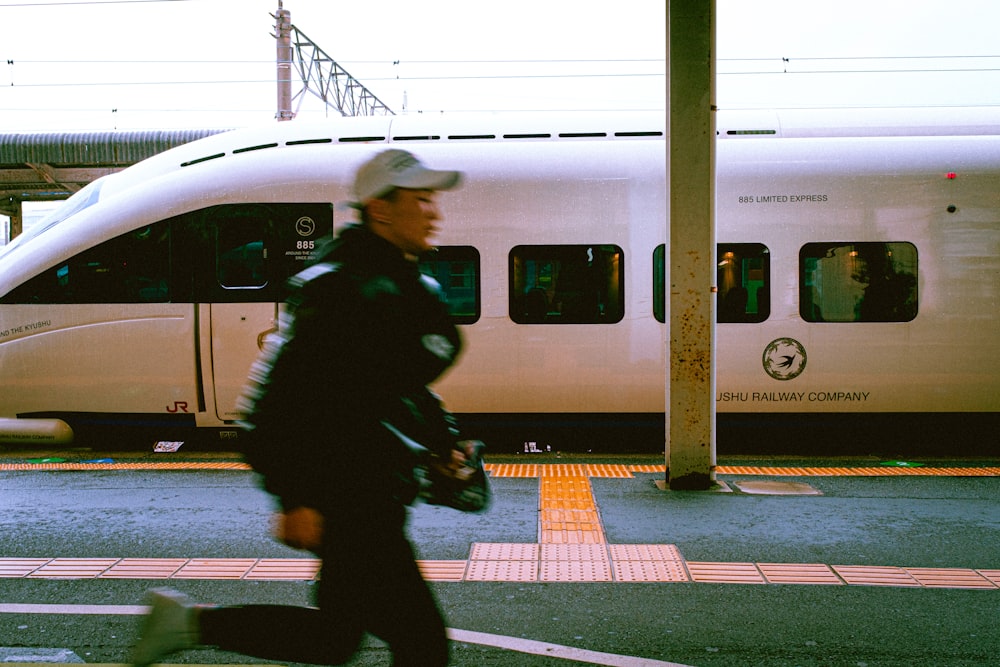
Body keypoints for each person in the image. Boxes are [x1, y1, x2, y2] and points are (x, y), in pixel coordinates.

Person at [131, 148, 469, 667]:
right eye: (421, 200)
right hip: (348, 497)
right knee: (421, 644)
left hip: (373, 488)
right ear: (380, 208)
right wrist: (295, 496)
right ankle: (190, 623)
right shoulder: (338, 287)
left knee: (336, 639)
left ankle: (188, 623)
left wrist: (442, 441)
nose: (434, 212)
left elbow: (394, 387)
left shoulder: (402, 283)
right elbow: (277, 401)